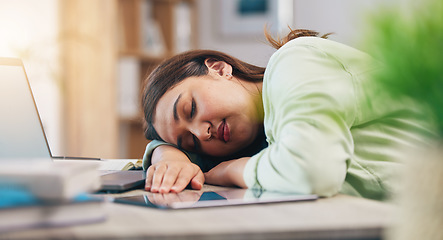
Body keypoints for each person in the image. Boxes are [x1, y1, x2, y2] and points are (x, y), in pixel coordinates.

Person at [140, 28, 434, 201]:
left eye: (190, 109)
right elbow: (199, 164)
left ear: (219, 69)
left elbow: (312, 170)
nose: (201, 133)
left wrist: (233, 171)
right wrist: (169, 155)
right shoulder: (267, 138)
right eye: (190, 142)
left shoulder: (294, 62)